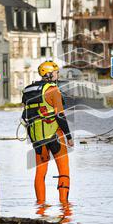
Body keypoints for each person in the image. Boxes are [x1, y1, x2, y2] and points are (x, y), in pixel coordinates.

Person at [22, 61, 73, 206]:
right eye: (56, 72)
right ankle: (64, 205)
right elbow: (60, 116)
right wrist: (69, 136)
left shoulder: (27, 90)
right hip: (55, 134)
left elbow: (27, 113)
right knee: (64, 170)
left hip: (37, 136)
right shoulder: (52, 90)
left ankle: (40, 206)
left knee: (40, 172)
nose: (58, 75)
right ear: (49, 74)